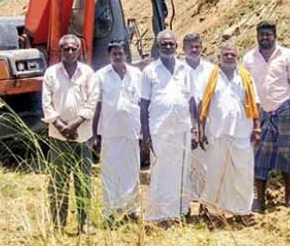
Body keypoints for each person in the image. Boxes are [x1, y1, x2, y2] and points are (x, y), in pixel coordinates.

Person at [41, 34, 99, 232]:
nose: (70, 51)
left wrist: (74, 125)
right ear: (60, 51)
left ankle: (84, 223)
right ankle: (58, 223)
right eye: (66, 48)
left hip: (82, 135)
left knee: (83, 180)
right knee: (59, 180)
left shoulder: (88, 73)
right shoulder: (51, 73)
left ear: (79, 50)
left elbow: (92, 102)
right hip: (58, 137)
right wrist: (60, 126)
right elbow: (46, 103)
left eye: (74, 48)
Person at [242, 21, 290, 213]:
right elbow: (245, 88)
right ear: (256, 36)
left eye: (268, 34)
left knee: (287, 154)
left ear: (275, 36)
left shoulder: (288, 56)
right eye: (261, 35)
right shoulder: (249, 58)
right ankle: (259, 200)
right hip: (260, 113)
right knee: (260, 157)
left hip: (283, 109)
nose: (264, 38)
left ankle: (289, 197)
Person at [198, 41, 260, 219]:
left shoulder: (245, 77)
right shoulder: (211, 77)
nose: (230, 57)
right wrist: (201, 130)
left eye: (233, 54)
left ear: (237, 57)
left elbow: (255, 103)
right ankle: (213, 212)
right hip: (217, 133)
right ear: (219, 57)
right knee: (216, 173)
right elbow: (203, 105)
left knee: (243, 174)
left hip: (242, 134)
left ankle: (242, 211)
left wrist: (257, 128)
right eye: (226, 55)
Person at [140, 30, 195, 223]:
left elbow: (191, 101)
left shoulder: (185, 70)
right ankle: (157, 214)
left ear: (176, 46)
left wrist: (195, 129)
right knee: (160, 171)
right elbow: (144, 104)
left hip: (182, 129)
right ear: (158, 46)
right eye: (164, 44)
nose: (168, 47)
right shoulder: (149, 71)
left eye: (171, 44)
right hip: (159, 129)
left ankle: (179, 211)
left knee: (181, 170)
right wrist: (145, 135)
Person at [91, 41, 143, 220]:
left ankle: (131, 209)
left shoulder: (136, 74)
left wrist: (143, 132)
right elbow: (97, 106)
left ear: (126, 54)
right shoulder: (101, 76)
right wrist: (95, 135)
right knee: (111, 171)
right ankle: (110, 211)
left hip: (131, 130)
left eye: (121, 53)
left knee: (131, 170)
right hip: (110, 132)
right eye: (114, 54)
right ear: (109, 56)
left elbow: (142, 104)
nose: (118, 57)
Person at [182, 33, 214, 205]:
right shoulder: (178, 69)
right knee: (186, 160)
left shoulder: (211, 69)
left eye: (197, 46)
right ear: (183, 48)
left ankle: (204, 197)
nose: (194, 50)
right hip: (183, 122)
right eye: (190, 47)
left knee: (205, 160)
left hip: (207, 122)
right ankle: (187, 199)